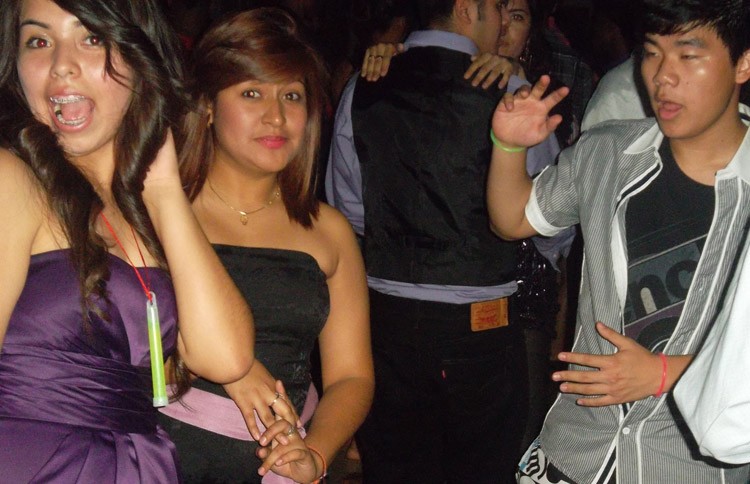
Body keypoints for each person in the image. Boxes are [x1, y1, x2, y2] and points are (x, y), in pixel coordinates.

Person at [486, 0, 750, 481]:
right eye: (652, 52)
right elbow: (513, 219)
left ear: (743, 63)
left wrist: (666, 373)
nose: (663, 76)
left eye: (688, 54)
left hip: (687, 465)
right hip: (576, 451)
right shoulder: (608, 151)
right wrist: (508, 145)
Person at [0, 0, 256, 482]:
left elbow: (226, 357)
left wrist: (165, 193)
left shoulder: (142, 209)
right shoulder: (10, 178)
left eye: (92, 37)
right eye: (38, 41)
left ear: (140, 58)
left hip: (136, 465)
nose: (61, 64)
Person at [326, 1, 542, 481]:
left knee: (396, 467)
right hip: (480, 319)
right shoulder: (513, 93)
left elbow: (351, 207)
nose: (502, 21)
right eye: (496, 8)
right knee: (482, 469)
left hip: (388, 317)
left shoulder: (367, 81)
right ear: (467, 9)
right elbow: (550, 214)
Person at [157, 8, 374, 484]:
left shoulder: (328, 230)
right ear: (207, 105)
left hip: (284, 467)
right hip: (165, 458)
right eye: (252, 93)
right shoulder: (163, 210)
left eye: (291, 96)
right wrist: (231, 368)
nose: (276, 116)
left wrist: (314, 455)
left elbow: (351, 376)